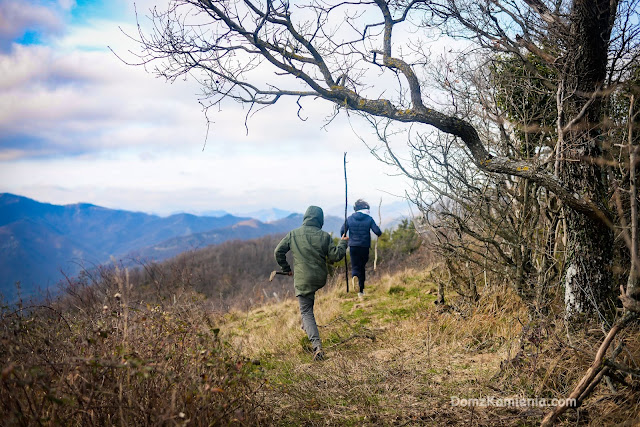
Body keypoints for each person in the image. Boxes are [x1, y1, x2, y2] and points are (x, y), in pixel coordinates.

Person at [274, 205, 348, 361]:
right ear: (320, 220)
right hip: (319, 278)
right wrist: (343, 243)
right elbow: (335, 256)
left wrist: (285, 268)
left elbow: (278, 252)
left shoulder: (293, 234)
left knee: (306, 312)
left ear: (305, 218)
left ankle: (317, 347)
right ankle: (306, 327)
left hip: (303, 280)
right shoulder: (324, 236)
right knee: (307, 309)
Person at [340, 199, 382, 298]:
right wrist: (379, 232)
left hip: (353, 246)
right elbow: (377, 232)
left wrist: (345, 237)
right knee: (362, 267)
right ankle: (361, 291)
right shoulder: (369, 218)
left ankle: (354, 275)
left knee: (355, 266)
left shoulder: (350, 218)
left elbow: (342, 230)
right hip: (364, 246)